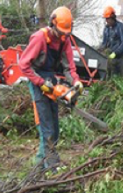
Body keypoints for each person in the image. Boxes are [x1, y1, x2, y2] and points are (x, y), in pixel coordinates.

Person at [19, 6, 83, 169]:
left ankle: (38, 168)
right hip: (37, 79)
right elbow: (24, 65)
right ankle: (51, 167)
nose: (62, 35)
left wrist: (76, 81)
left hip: (51, 78)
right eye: (60, 32)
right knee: (46, 127)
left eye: (65, 33)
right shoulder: (40, 37)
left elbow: (69, 67)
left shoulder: (65, 40)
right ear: (53, 24)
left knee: (54, 129)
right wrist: (41, 83)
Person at [99, 6, 123, 77]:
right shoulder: (106, 29)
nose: (107, 21)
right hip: (113, 57)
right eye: (106, 19)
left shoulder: (120, 27)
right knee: (113, 76)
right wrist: (100, 50)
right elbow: (104, 43)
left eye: (108, 19)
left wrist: (115, 53)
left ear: (113, 17)